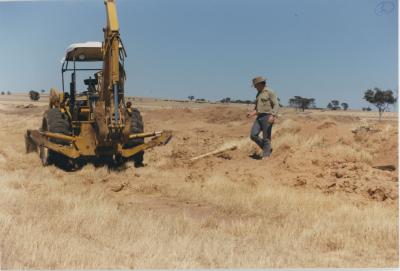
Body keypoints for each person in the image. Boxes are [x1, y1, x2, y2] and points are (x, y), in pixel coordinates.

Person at [247, 76, 279, 160]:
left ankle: (266, 155)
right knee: (253, 135)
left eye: (255, 85)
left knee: (266, 137)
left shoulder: (270, 92)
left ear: (260, 84)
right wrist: (251, 113)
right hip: (259, 117)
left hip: (268, 116)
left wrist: (273, 115)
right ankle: (267, 149)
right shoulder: (258, 94)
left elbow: (276, 104)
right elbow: (257, 108)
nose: (254, 87)